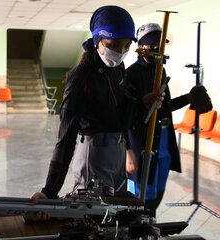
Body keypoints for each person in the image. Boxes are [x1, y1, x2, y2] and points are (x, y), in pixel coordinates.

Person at [30, 6, 164, 221]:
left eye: (126, 46)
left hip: (116, 151)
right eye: (113, 45)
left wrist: (141, 103)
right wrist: (49, 191)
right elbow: (65, 141)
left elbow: (118, 105)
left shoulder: (117, 69)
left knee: (115, 217)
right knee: (91, 217)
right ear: (98, 40)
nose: (120, 52)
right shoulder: (79, 79)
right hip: (94, 154)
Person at [124, 23, 212, 217]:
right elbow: (124, 114)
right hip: (141, 144)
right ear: (141, 46)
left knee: (157, 193)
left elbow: (165, 107)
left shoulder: (160, 71)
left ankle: (149, 226)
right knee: (140, 197)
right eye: (151, 44)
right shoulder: (131, 73)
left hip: (163, 140)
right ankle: (139, 228)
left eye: (159, 43)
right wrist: (128, 151)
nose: (156, 47)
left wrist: (188, 98)